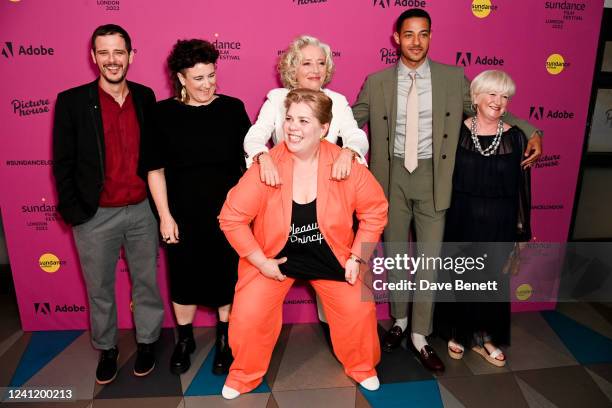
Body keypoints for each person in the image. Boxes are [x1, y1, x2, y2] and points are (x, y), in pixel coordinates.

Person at [352, 8, 542, 373]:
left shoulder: (453, 78)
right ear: (396, 38)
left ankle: (421, 334)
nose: (416, 42)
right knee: (394, 257)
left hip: (435, 179)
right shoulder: (375, 81)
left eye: (423, 34)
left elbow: (488, 108)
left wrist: (531, 129)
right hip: (389, 179)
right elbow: (352, 118)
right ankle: (400, 322)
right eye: (408, 34)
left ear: (431, 36)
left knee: (428, 260)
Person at [218, 89, 387, 399]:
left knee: (358, 312)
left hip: (331, 255)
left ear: (324, 128)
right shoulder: (266, 166)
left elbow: (375, 211)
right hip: (274, 257)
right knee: (248, 315)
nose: (292, 127)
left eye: (303, 121)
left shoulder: (344, 165)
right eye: (290, 119)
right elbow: (231, 218)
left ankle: (362, 367)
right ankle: (243, 375)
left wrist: (357, 259)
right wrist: (260, 261)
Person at [52, 24, 163, 385]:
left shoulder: (146, 97)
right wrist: (72, 210)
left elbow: (156, 158)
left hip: (143, 211)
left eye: (119, 52)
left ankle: (147, 341)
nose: (112, 60)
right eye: (104, 53)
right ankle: (108, 348)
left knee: (146, 282)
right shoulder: (71, 101)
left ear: (131, 55)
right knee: (99, 288)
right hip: (94, 214)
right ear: (93, 57)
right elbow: (63, 161)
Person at [142, 39, 251, 375]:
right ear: (181, 78)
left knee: (226, 278)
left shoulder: (233, 108)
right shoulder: (162, 113)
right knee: (184, 279)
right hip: (183, 215)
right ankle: (185, 339)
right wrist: (165, 217)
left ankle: (224, 339)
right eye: (199, 78)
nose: (207, 85)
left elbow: (249, 164)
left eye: (211, 76)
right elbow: (155, 169)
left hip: (229, 215)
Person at [435, 70, 531, 366]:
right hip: (460, 218)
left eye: (504, 96)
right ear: (475, 96)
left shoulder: (516, 136)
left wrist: (522, 231)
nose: (498, 101)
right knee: (460, 277)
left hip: (499, 223)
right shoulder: (455, 132)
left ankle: (486, 338)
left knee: (492, 280)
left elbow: (522, 188)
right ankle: (459, 333)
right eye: (492, 94)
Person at [243, 35, 369, 185]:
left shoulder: (337, 101)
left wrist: (348, 152)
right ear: (293, 68)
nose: (315, 70)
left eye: (321, 63)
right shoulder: (277, 99)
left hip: (325, 182)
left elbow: (356, 135)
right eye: (307, 63)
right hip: (283, 180)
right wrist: (263, 157)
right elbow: (255, 135)